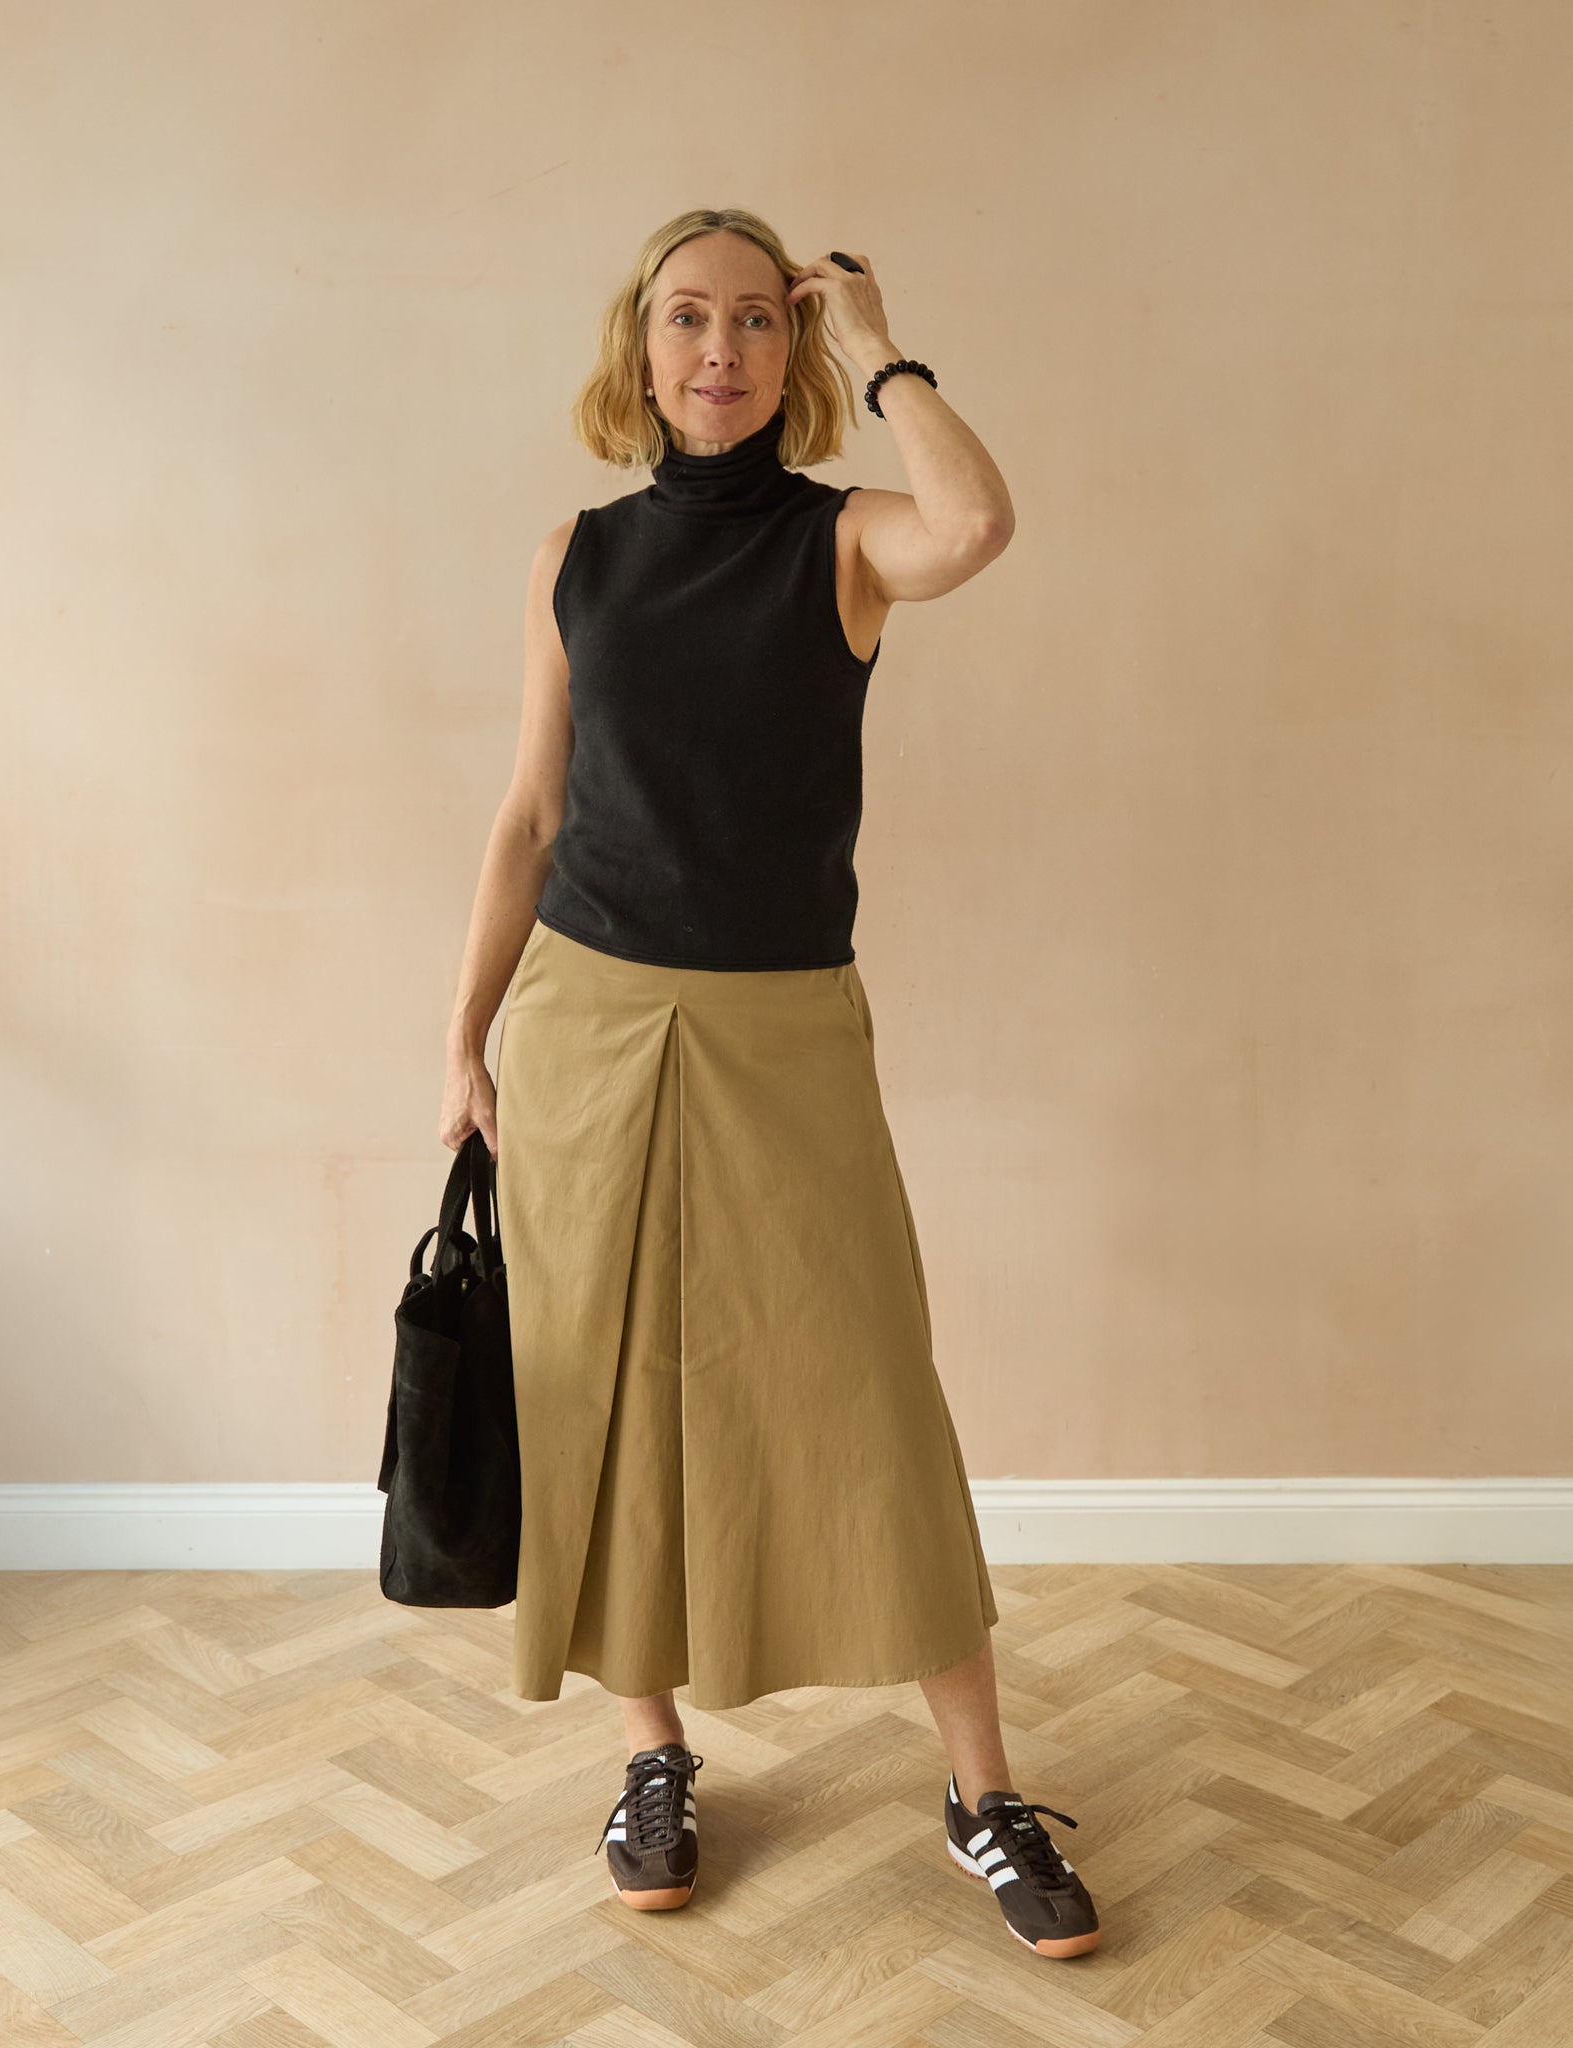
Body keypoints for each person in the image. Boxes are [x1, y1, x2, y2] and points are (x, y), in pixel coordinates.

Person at [437, 206, 1100, 1960]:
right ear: (639, 344)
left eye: (752, 319)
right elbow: (531, 813)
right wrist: (462, 1039)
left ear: (790, 349)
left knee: (865, 1390)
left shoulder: (846, 542)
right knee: (600, 1394)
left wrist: (882, 343)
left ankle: (982, 1793)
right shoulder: (576, 555)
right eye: (686, 317)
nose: (718, 349)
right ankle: (651, 1756)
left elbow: (977, 522)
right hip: (582, 1026)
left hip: (783, 1026)